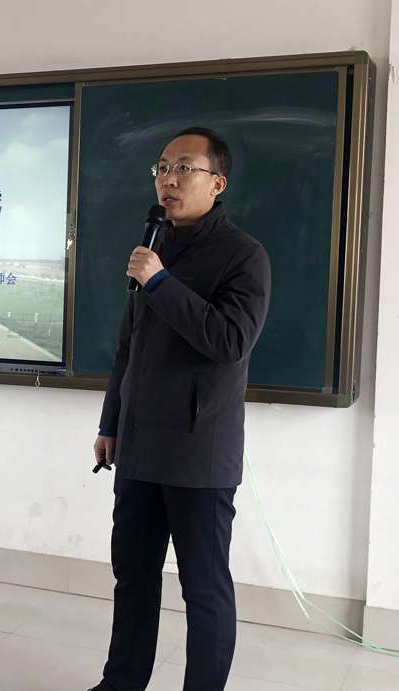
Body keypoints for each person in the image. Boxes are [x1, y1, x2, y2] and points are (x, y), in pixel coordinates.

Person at [88, 128, 271, 691]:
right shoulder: (155, 246)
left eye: (184, 168)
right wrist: (111, 423)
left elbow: (229, 340)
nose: (168, 179)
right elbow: (129, 347)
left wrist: (161, 282)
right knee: (133, 578)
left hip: (199, 452)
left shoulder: (243, 256)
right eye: (162, 168)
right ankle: (121, 684)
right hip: (139, 446)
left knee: (204, 589)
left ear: (217, 183)